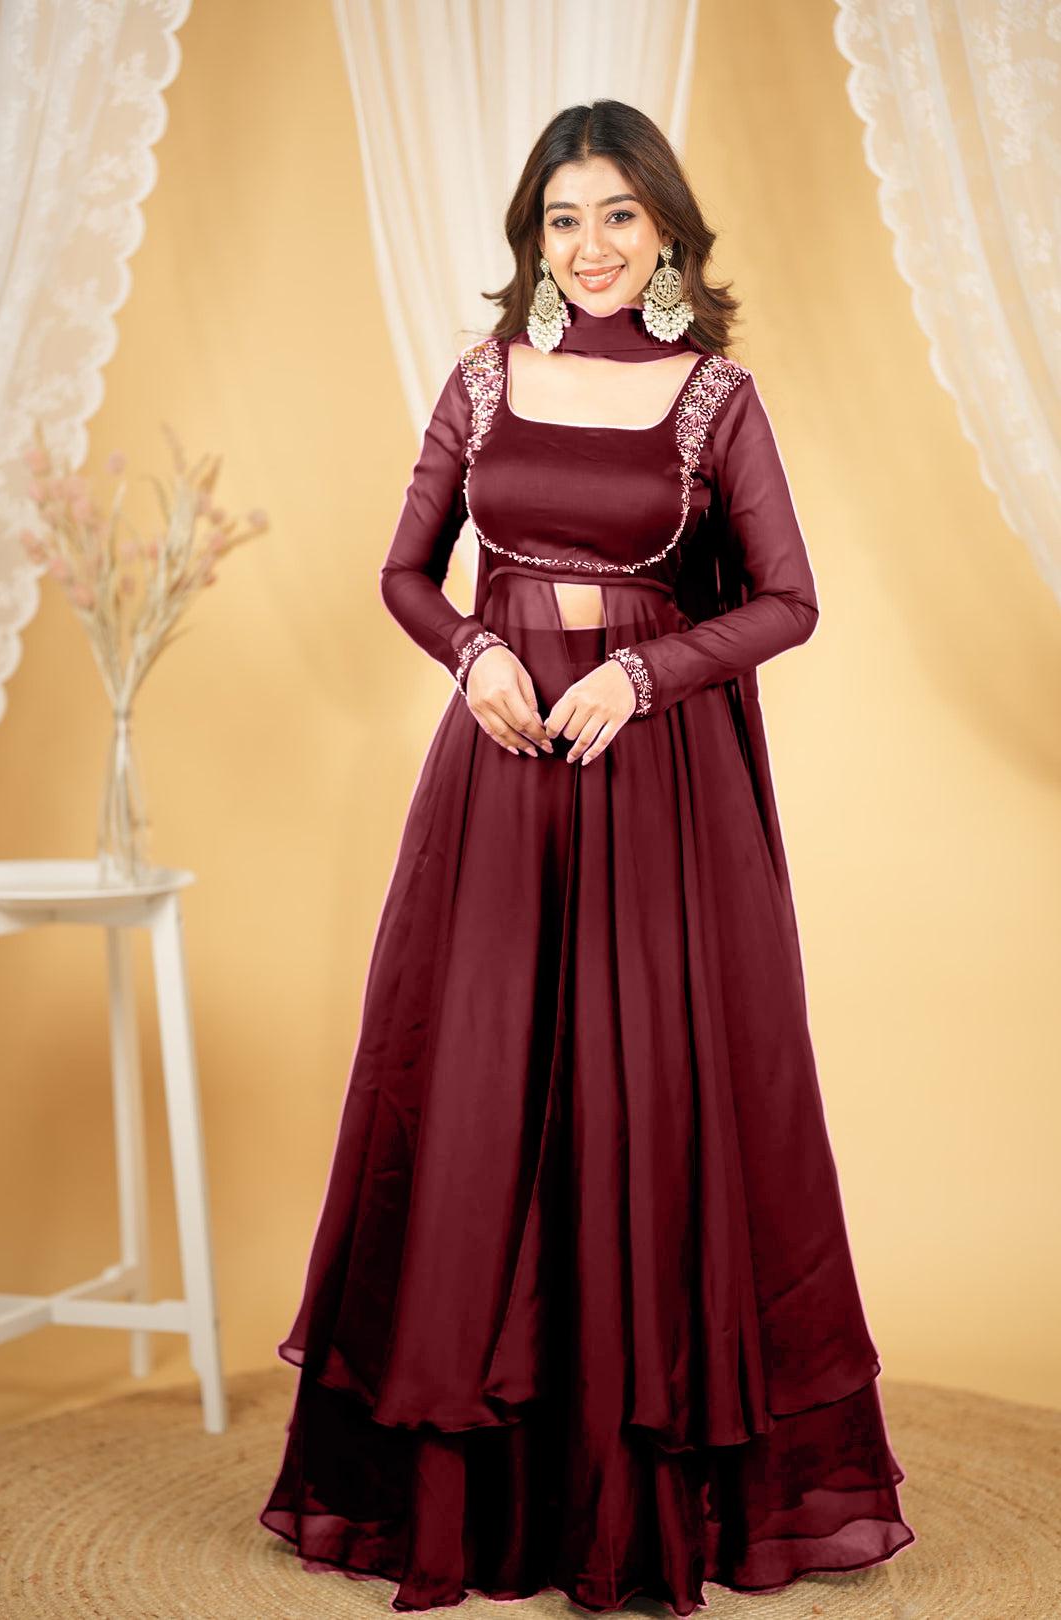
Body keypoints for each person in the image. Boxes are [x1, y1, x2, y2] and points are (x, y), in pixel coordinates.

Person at [259, 98, 915, 1614]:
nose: (593, 244)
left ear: (666, 227)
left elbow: (789, 600)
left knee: (643, 1104)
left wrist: (647, 673)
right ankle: (477, 1499)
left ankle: (632, 1505)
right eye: (564, 218)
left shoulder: (718, 399)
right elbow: (405, 572)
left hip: (654, 791)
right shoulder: (483, 381)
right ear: (533, 238)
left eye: (619, 214)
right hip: (500, 777)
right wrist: (473, 651)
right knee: (480, 1096)